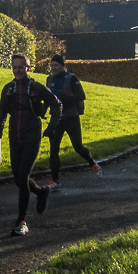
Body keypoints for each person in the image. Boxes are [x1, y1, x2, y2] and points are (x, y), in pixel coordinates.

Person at [0, 53, 62, 237]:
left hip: (32, 135)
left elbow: (56, 105)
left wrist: (52, 127)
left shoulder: (37, 87)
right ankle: (41, 192)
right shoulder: (8, 89)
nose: (18, 70)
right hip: (14, 137)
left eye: (21, 67)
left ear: (28, 68)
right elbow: (2, 112)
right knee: (17, 178)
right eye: (15, 67)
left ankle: (21, 221)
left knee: (23, 176)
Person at [45, 54, 103, 190]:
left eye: (56, 65)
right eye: (52, 65)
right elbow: (47, 97)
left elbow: (81, 95)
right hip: (56, 119)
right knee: (53, 150)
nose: (53, 68)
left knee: (77, 147)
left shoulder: (71, 78)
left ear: (63, 66)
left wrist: (64, 99)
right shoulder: (49, 79)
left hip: (71, 117)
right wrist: (43, 111)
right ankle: (56, 182)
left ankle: (93, 163)